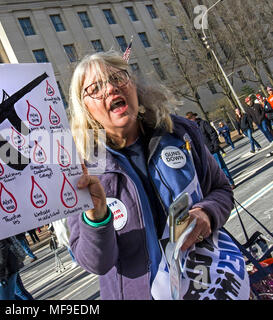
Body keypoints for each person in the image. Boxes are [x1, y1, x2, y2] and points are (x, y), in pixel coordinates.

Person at [66, 50, 249, 300]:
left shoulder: (179, 132)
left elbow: (221, 189)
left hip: (209, 282)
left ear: (134, 86)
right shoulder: (81, 169)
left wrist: (207, 212)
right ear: (85, 107)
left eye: (118, 78)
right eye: (95, 88)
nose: (110, 89)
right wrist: (96, 218)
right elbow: (96, 263)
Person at [185, 112, 235, 189]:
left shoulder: (203, 123)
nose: (190, 120)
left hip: (212, 149)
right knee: (211, 171)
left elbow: (213, 133)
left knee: (221, 167)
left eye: (191, 118)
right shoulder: (191, 129)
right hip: (203, 153)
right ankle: (221, 185)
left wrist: (215, 146)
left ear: (194, 117)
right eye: (188, 119)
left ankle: (230, 182)